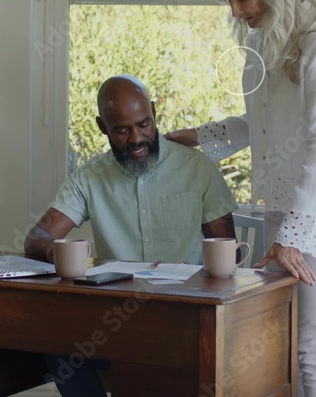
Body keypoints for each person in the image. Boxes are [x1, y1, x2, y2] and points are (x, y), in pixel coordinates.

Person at [165, 0, 316, 397]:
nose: (236, 11)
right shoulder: (265, 49)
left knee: (315, 350)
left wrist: (293, 238)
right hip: (285, 202)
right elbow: (259, 124)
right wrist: (201, 136)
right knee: (280, 341)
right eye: (229, 1)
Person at [25, 74, 240, 397]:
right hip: (118, 322)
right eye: (122, 130)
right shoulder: (90, 177)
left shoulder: (198, 169)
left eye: (144, 124)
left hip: (186, 319)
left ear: (154, 112)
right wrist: (56, 251)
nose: (137, 138)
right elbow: (36, 238)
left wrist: (198, 277)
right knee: (60, 352)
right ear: (102, 127)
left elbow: (229, 256)